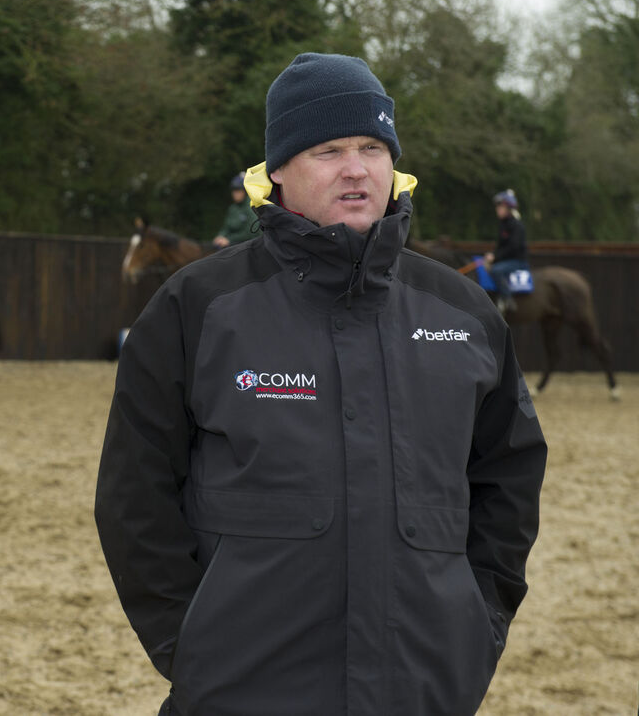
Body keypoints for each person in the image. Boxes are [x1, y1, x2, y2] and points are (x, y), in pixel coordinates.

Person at [95, 53, 546, 715]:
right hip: (239, 692)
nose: (357, 167)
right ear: (276, 170)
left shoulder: (464, 312)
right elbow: (133, 496)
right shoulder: (197, 305)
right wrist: (193, 648)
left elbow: (508, 480)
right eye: (328, 149)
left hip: (422, 690)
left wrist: (473, 633)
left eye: (372, 146)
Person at [484, 189, 528, 313]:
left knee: (496, 270)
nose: (497, 209)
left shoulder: (516, 225)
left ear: (508, 209)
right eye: (498, 207)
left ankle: (508, 300)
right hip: (507, 260)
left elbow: (514, 247)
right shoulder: (503, 225)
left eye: (500, 207)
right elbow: (501, 247)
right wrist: (492, 255)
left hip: (518, 261)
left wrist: (495, 257)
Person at [211, 173, 260, 248]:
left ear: (245, 191)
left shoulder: (251, 206)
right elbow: (226, 227)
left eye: (238, 190)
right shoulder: (233, 208)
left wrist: (229, 240)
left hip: (250, 246)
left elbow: (251, 233)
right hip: (232, 244)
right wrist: (220, 236)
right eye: (233, 190)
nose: (235, 194)